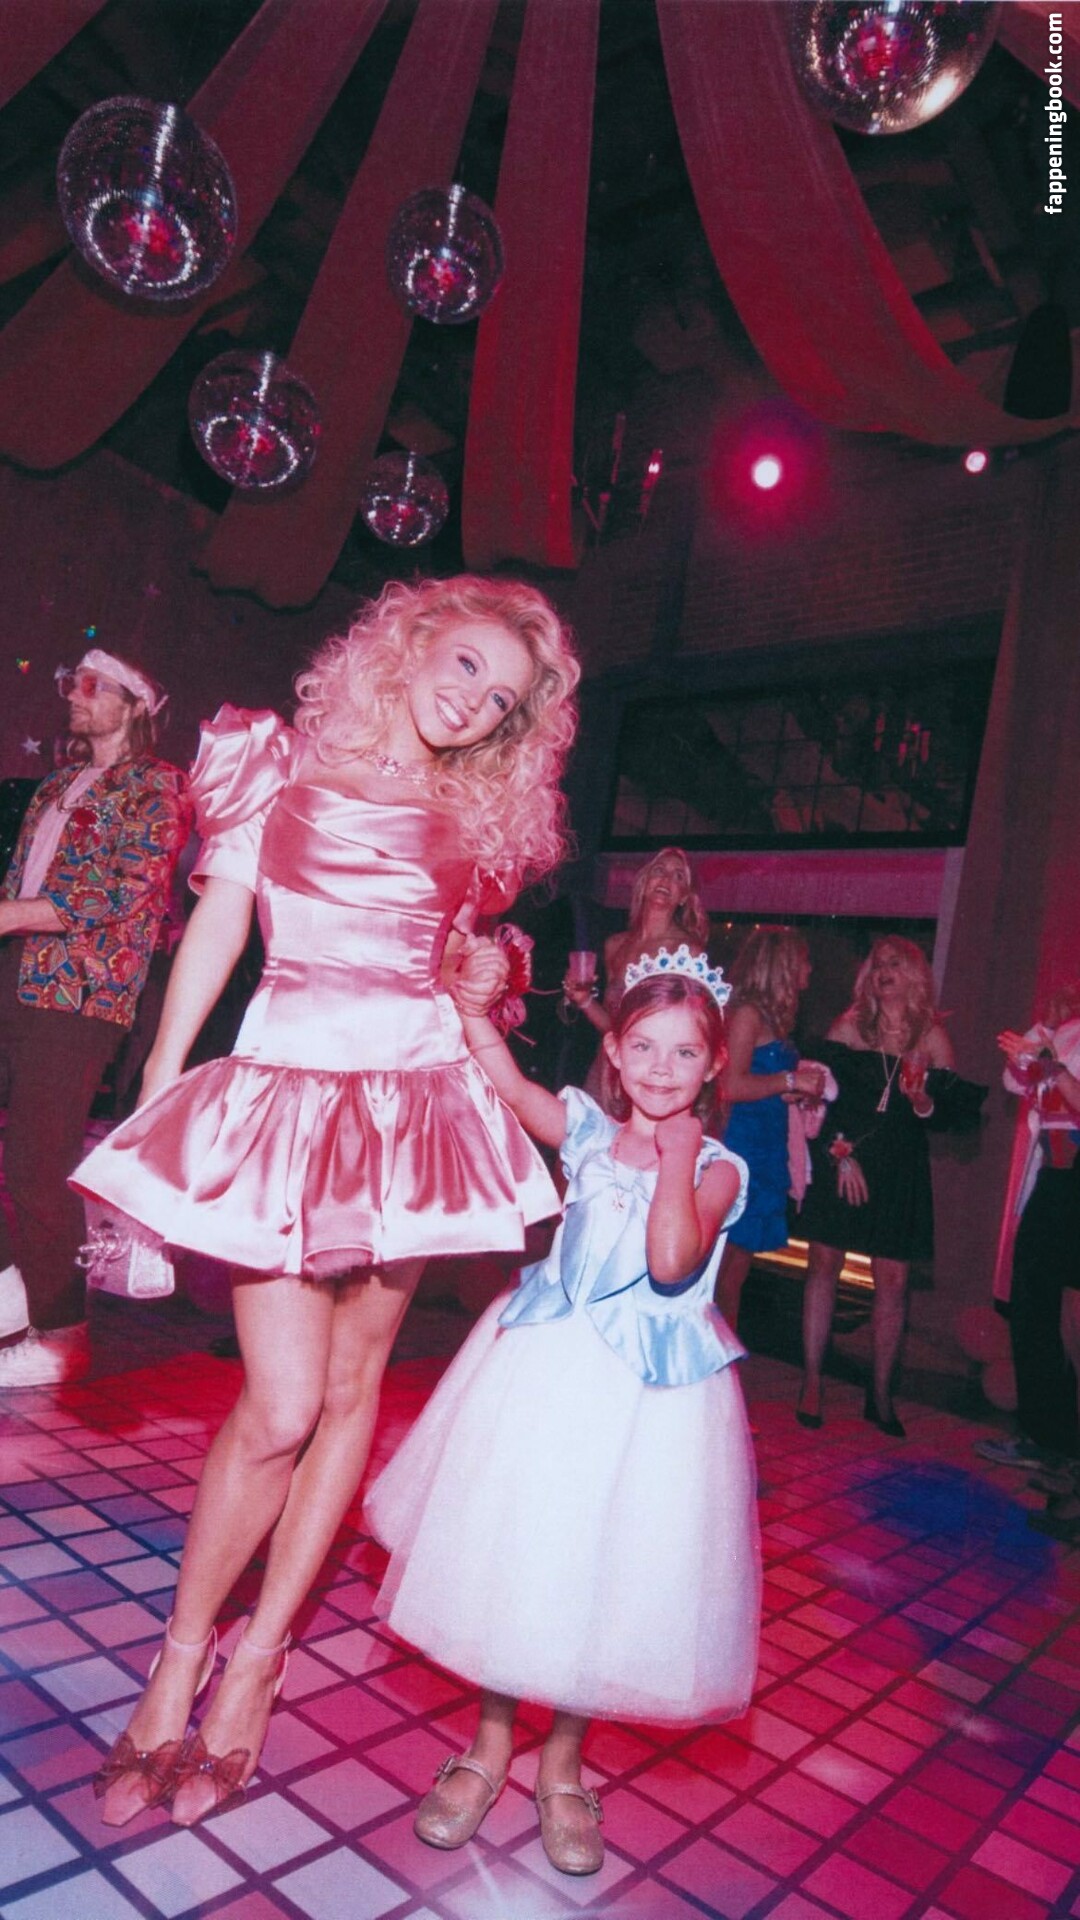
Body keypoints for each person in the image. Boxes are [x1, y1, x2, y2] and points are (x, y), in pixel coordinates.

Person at [71, 575, 580, 1829]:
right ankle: (179, 1657)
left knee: (353, 1394)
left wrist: (490, 974)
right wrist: (161, 1070)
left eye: (503, 701)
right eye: (467, 666)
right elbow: (219, 924)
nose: (475, 704)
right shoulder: (270, 760)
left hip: (415, 1112)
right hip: (287, 1094)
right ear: (411, 641)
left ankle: (256, 1665)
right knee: (282, 1403)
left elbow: (471, 973)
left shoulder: (479, 824)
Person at [366, 949, 760, 1878]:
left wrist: (677, 1155)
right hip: (546, 1373)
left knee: (605, 1569)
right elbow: (506, 1083)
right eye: (644, 1046)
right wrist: (473, 1008)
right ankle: (487, 1747)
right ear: (614, 1051)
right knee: (525, 1551)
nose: (662, 1068)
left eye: (686, 1052)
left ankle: (564, 1767)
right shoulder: (584, 1129)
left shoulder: (719, 1170)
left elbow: (671, 1261)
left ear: (713, 1066)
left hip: (648, 1404)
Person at [0, 649, 187, 1387]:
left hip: (81, 994)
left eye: (91, 686)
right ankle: (13, 1290)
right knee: (20, 1160)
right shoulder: (56, 784)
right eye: (70, 684)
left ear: (135, 704)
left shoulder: (156, 786)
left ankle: (62, 1334)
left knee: (38, 1161)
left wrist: (12, 914)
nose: (74, 696)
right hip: (17, 974)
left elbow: (122, 890)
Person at [796, 935, 972, 1437]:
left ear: (913, 974)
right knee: (823, 1265)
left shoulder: (931, 1036)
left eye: (894, 964)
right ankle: (812, 1382)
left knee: (893, 1283)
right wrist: (839, 1153)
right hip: (843, 1157)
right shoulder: (849, 1026)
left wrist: (923, 1101)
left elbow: (950, 1116)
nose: (883, 972)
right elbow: (815, 1101)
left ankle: (880, 1395)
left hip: (900, 1169)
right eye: (877, 965)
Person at [981, 994, 1080, 1517]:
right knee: (1033, 1305)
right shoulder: (1066, 1030)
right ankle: (1047, 1438)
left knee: (1071, 1319)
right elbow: (1016, 1082)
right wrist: (1041, 1035)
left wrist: (1052, 1066)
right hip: (1057, 1179)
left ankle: (1067, 1451)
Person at [714, 926, 826, 1335]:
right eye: (804, 961)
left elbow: (760, 1082)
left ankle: (723, 1354)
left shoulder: (772, 1019)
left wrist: (789, 1089)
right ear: (782, 965)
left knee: (735, 1274)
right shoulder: (747, 1014)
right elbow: (729, 1086)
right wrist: (789, 1081)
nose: (810, 970)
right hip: (741, 1144)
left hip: (764, 1145)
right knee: (721, 1274)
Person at [562, 848, 709, 1101]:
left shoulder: (687, 951)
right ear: (645, 882)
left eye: (678, 876)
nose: (666, 879)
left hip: (651, 1075)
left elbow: (689, 1031)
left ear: (684, 896)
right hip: (607, 1068)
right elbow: (613, 1027)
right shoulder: (616, 945)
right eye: (659, 871)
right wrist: (583, 999)